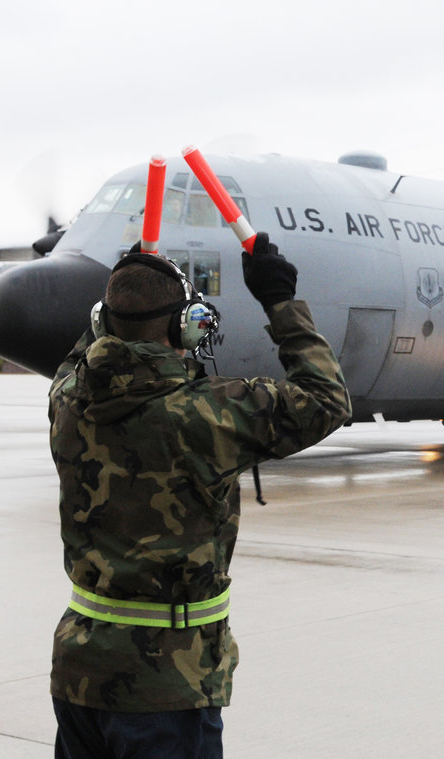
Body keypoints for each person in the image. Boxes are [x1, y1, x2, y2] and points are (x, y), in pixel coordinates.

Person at [47, 233, 351, 758]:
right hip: (167, 684)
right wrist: (279, 301)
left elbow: (88, 349)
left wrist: (125, 292)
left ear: (101, 322)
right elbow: (326, 399)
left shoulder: (67, 399)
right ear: (183, 327)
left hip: (79, 675)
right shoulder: (208, 413)